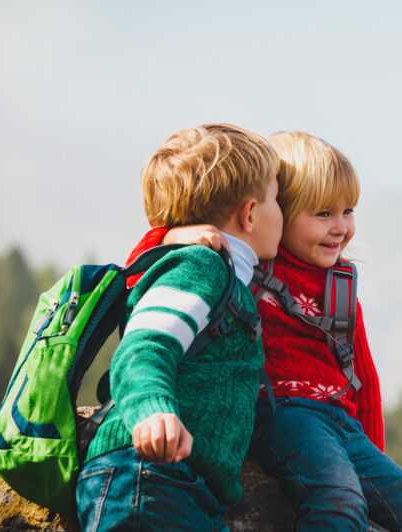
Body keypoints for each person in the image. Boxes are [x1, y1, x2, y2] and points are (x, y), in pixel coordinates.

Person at [125, 130, 402, 531]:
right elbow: (143, 271)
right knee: (339, 503)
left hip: (342, 425)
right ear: (276, 211)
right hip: (284, 414)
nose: (341, 228)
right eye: (323, 214)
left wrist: (372, 456)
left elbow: (362, 377)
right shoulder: (252, 265)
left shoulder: (340, 285)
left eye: (348, 211)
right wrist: (175, 235)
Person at [77, 123, 283, 532]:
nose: (285, 212)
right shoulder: (200, 267)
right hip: (144, 476)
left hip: (182, 486)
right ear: (251, 213)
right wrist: (152, 410)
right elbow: (144, 346)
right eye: (278, 199)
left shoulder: (223, 275)